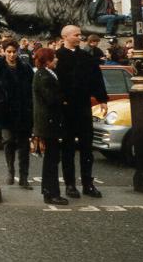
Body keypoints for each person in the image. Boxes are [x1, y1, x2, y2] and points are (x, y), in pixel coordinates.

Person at [55, 25, 108, 199]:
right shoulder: (57, 57)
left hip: (83, 106)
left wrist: (102, 99)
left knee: (87, 147)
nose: (80, 37)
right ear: (65, 37)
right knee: (68, 147)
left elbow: (96, 78)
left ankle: (87, 183)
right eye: (77, 35)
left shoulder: (86, 56)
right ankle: (70, 184)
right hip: (65, 108)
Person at [0, 40, 35, 188]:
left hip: (23, 110)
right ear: (3, 51)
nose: (12, 55)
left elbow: (31, 89)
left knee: (24, 145)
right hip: (4, 110)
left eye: (14, 52)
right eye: (9, 52)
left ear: (18, 51)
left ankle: (24, 177)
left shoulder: (25, 68)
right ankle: (10, 171)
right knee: (8, 141)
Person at [31, 47, 68, 205]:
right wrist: (64, 99)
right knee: (52, 160)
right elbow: (51, 99)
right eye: (54, 57)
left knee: (51, 159)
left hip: (48, 122)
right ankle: (52, 193)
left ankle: (49, 191)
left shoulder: (46, 73)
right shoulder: (44, 76)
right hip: (49, 122)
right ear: (47, 60)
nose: (57, 59)